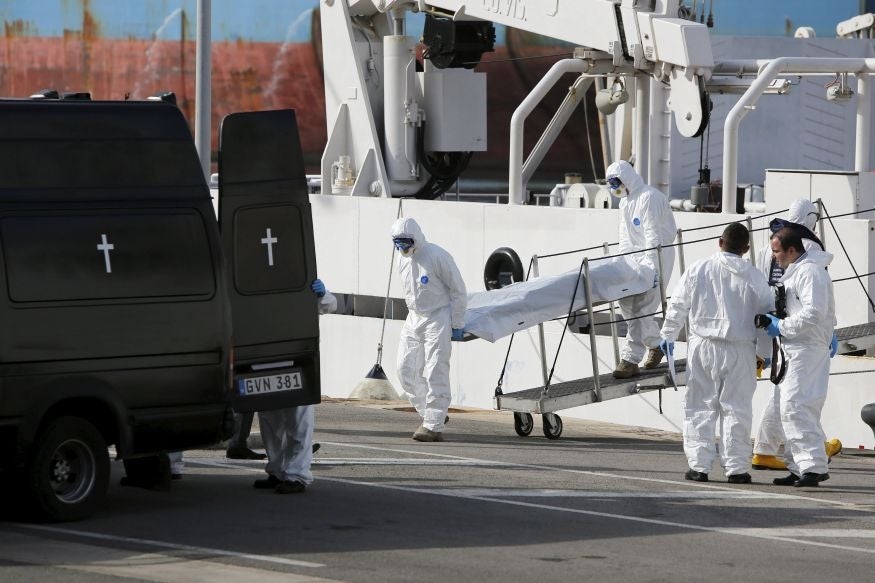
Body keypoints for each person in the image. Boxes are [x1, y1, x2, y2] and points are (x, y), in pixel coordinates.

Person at [659, 223, 773, 483]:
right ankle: (737, 469)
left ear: (720, 242)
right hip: (742, 349)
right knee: (737, 409)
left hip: (703, 346)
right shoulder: (755, 277)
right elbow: (766, 319)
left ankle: (699, 467)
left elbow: (678, 305)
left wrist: (667, 335)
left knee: (700, 406)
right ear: (746, 249)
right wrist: (763, 354)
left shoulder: (698, 269)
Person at [751, 199, 842, 471]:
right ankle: (809, 456)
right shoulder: (808, 248)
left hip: (773, 325)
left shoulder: (773, 240)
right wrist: (830, 328)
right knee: (800, 399)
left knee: (786, 395)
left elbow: (762, 282)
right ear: (811, 219)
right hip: (797, 332)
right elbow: (816, 302)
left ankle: (773, 450)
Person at [766, 228, 836, 487]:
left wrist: (781, 327)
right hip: (796, 348)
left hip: (806, 349)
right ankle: (800, 465)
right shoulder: (800, 272)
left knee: (796, 405)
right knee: (792, 406)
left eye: (776, 251)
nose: (774, 258)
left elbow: (814, 313)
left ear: (792, 250)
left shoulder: (810, 272)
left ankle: (813, 467)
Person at [252, 279, 336, 494]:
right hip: (264, 362)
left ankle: (297, 475)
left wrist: (321, 294)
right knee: (270, 424)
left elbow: (329, 305)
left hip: (295, 360)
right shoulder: (251, 283)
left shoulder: (299, 279)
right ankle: (277, 470)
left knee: (298, 422)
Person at [391, 217, 467, 442]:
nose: (402, 248)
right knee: (405, 369)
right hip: (414, 316)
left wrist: (457, 323)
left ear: (415, 239)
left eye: (405, 243)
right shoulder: (402, 258)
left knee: (436, 370)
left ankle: (433, 426)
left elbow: (458, 290)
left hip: (438, 317)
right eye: (398, 244)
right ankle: (431, 414)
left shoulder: (436, 256)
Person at [607, 160, 678, 379]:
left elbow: (653, 236)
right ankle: (656, 344)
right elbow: (625, 238)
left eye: (615, 182)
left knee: (642, 308)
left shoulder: (649, 197)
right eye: (610, 184)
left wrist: (652, 270)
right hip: (635, 258)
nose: (614, 188)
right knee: (626, 304)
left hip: (658, 254)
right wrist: (624, 264)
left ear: (626, 178)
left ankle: (630, 360)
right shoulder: (625, 202)